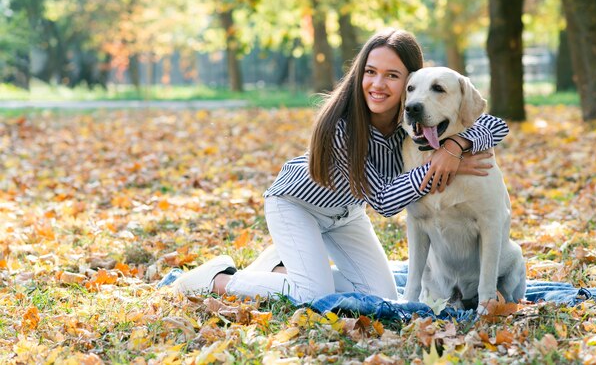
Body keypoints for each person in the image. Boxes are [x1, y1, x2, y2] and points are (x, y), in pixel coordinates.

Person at [171, 28, 508, 302]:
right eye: (371, 72)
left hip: (346, 214)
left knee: (380, 293)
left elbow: (495, 125)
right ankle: (218, 279)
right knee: (311, 293)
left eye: (392, 75)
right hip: (296, 206)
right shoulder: (343, 125)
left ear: (409, 83)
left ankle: (277, 270)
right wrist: (439, 165)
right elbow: (386, 202)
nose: (377, 84)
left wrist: (455, 147)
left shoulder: (412, 120)